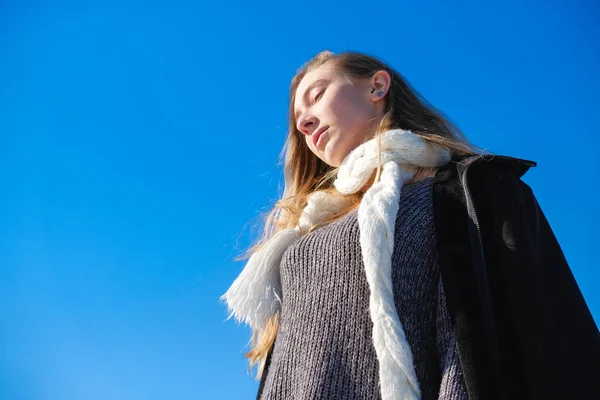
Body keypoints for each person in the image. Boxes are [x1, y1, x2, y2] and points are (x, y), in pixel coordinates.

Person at [220, 50, 599, 400]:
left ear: (377, 86)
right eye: (297, 120)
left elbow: (489, 344)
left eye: (316, 95)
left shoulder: (468, 192)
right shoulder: (306, 228)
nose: (303, 122)